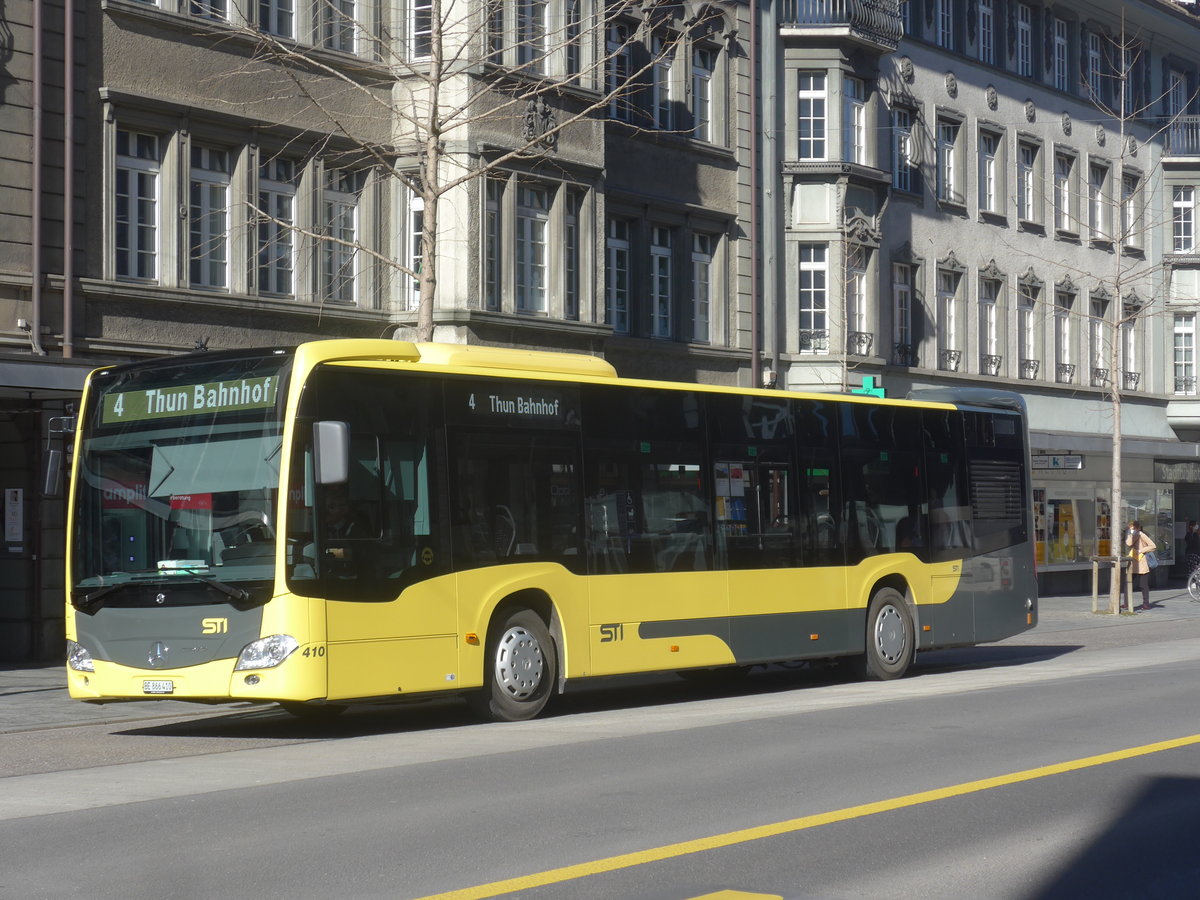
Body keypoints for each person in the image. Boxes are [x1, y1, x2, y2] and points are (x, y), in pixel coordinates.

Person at [1124, 520, 1157, 611]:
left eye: (1133, 528)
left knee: (1143, 585)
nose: (1132, 530)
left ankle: (1146, 604)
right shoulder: (1133, 535)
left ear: (1138, 528)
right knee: (1127, 583)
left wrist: (1142, 550)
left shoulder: (1142, 535)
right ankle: (1126, 603)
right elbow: (1128, 543)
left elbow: (1153, 546)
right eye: (1130, 528)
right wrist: (1130, 534)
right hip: (1132, 563)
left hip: (1141, 562)